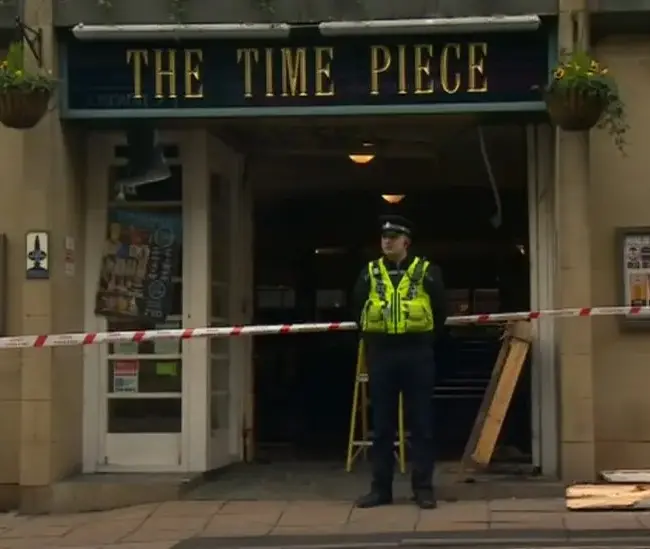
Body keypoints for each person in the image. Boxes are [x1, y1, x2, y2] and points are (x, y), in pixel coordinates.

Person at [352, 214, 447, 509]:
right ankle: (381, 490)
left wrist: (424, 341)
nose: (387, 241)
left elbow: (440, 311)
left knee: (421, 424)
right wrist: (374, 342)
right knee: (382, 427)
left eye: (393, 237)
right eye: (384, 237)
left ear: (406, 241)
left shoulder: (427, 271)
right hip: (382, 354)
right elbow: (357, 308)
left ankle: (423, 489)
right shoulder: (370, 272)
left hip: (417, 354)